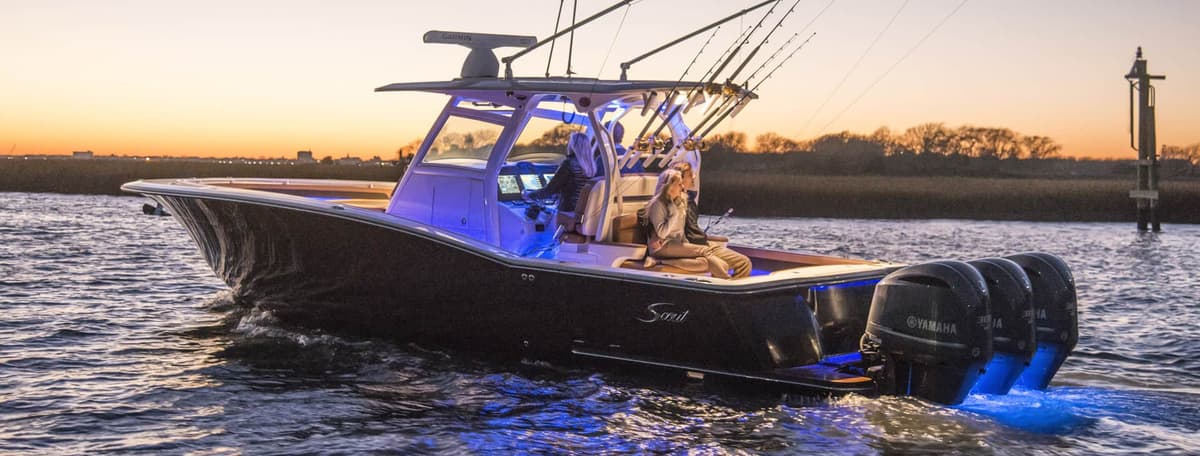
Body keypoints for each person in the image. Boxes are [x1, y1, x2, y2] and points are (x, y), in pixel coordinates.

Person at [643, 169, 737, 279]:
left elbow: (680, 231)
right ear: (669, 186)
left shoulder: (679, 201)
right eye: (679, 184)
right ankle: (726, 280)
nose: (682, 187)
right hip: (662, 246)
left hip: (677, 244)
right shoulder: (658, 204)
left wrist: (686, 245)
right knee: (704, 250)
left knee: (704, 263)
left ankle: (659, 261)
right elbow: (662, 234)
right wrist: (673, 213)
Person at [672, 161, 752, 278]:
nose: (693, 177)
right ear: (680, 179)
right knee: (744, 263)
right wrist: (704, 244)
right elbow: (688, 234)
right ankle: (728, 291)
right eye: (690, 175)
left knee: (733, 261)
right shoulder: (679, 202)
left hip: (699, 243)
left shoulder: (688, 200)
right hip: (694, 246)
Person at [523, 132, 596, 220]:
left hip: (567, 211)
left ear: (573, 146)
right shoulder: (592, 167)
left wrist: (529, 195)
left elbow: (549, 191)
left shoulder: (569, 164)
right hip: (583, 214)